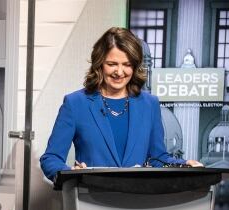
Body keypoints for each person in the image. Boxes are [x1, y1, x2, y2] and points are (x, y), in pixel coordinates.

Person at [39, 27, 201, 181]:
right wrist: (71, 175)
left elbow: (158, 158)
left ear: (135, 66)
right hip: (91, 199)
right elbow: (51, 158)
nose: (119, 72)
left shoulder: (150, 104)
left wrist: (183, 164)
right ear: (99, 64)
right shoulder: (75, 103)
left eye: (127, 64)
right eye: (112, 64)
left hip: (137, 200)